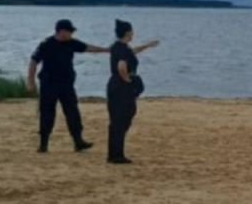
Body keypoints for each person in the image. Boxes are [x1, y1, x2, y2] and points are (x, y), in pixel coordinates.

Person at [28, 19, 109, 153]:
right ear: (61, 31)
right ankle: (43, 144)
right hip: (49, 84)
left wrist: (107, 50)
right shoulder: (46, 44)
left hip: (66, 84)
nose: (71, 34)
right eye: (69, 31)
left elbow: (88, 48)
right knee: (47, 113)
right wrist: (31, 81)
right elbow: (33, 61)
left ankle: (78, 142)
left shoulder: (71, 43)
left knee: (73, 112)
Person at [106, 20, 160, 164]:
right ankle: (116, 155)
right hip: (121, 87)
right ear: (128, 32)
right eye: (131, 32)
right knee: (122, 119)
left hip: (114, 85)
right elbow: (121, 66)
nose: (133, 34)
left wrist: (147, 46)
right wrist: (128, 81)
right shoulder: (122, 49)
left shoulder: (118, 47)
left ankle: (114, 153)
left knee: (116, 121)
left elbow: (131, 53)